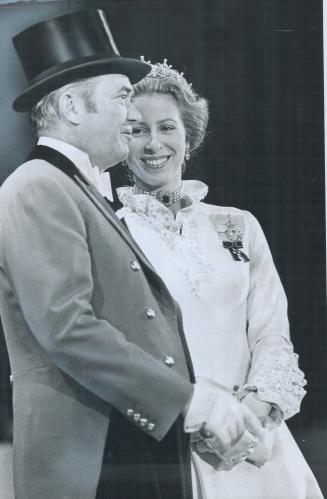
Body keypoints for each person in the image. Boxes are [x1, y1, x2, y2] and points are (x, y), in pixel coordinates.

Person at [0, 11, 264, 499]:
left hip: (126, 437)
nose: (130, 114)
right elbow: (68, 328)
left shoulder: (74, 186)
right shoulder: (38, 185)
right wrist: (191, 401)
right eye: (121, 96)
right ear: (72, 107)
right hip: (89, 452)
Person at [116, 59, 324, 499]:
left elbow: (272, 335)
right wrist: (205, 421)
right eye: (136, 130)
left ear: (189, 136)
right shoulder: (112, 231)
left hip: (260, 440)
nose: (154, 143)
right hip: (174, 444)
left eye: (167, 127)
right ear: (119, 141)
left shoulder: (238, 225)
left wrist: (252, 412)